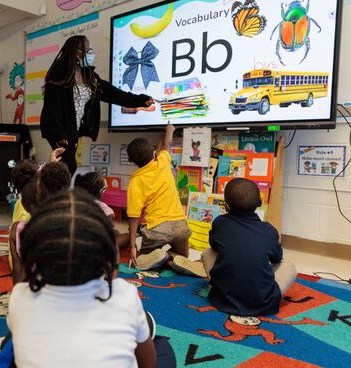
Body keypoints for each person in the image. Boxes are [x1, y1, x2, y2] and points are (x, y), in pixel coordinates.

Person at [8, 191, 157, 368]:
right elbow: (149, 363)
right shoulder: (124, 295)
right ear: (108, 255)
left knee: (10, 343)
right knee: (162, 348)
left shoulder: (19, 296)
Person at [41, 35, 156, 175]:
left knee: (67, 168)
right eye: (88, 50)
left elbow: (113, 93)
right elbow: (51, 107)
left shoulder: (89, 75)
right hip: (58, 129)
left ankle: (57, 194)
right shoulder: (59, 71)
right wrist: (58, 133)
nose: (91, 54)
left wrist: (140, 100)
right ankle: (54, 194)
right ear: (77, 52)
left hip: (73, 130)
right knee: (67, 167)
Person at [202, 178, 297, 316]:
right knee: (289, 265)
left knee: (207, 252)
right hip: (263, 302)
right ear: (260, 203)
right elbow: (277, 258)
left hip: (222, 299)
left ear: (226, 207)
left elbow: (214, 247)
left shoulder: (220, 223)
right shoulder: (269, 231)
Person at [126, 124, 205, 277]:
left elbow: (133, 215)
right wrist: (169, 130)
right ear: (155, 153)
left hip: (157, 230)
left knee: (145, 257)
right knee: (183, 253)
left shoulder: (135, 181)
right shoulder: (163, 162)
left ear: (130, 160)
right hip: (180, 226)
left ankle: (161, 257)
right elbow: (167, 145)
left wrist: (132, 245)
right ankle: (174, 257)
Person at [9, 162, 71, 285]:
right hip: (67, 294)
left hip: (35, 296)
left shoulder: (17, 230)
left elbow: (18, 273)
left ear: (25, 206)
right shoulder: (69, 226)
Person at [74, 171, 129, 249]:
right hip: (94, 246)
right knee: (129, 236)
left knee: (116, 232)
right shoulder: (105, 209)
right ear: (100, 192)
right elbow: (105, 236)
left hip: (76, 241)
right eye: (104, 188)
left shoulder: (74, 203)